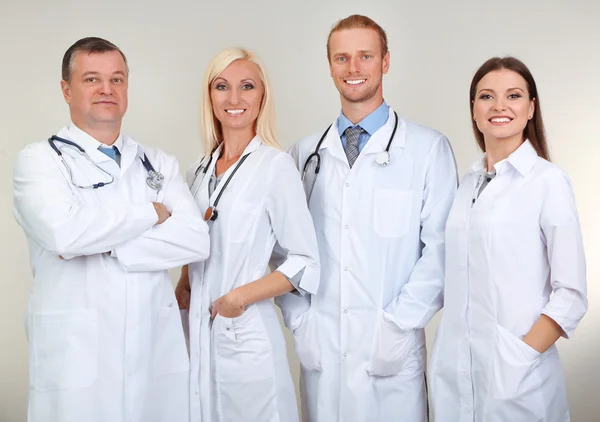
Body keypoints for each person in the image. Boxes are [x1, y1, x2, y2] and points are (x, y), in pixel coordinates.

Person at [12, 37, 209, 422]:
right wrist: (151, 212)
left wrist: (105, 244)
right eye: (92, 79)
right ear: (67, 90)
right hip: (78, 358)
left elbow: (196, 239)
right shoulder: (39, 160)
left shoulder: (158, 163)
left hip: (153, 348)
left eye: (117, 79)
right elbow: (63, 235)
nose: (107, 89)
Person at [282, 14, 458, 422]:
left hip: (392, 353)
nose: (353, 68)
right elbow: (282, 251)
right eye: (342, 58)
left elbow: (442, 252)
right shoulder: (304, 154)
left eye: (365, 56)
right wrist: (300, 321)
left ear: (386, 61)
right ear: (329, 66)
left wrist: (397, 327)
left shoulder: (427, 149)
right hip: (321, 346)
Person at [429, 56, 588, 422]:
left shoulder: (547, 181)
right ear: (473, 109)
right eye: (486, 97)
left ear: (531, 108)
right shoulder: (467, 184)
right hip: (456, 373)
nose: (499, 106)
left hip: (519, 379)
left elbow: (571, 294)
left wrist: (519, 358)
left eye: (513, 95)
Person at [174, 47, 320, 422]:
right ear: (210, 96)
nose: (234, 98)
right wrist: (184, 284)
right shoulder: (198, 171)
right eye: (222, 86)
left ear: (262, 97)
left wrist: (238, 298)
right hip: (199, 336)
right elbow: (197, 238)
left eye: (247, 86)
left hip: (245, 333)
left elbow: (304, 260)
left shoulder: (275, 166)